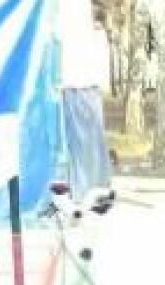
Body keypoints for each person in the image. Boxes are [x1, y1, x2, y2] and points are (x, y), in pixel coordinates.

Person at [56, 0, 112, 198]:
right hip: (84, 81)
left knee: (81, 141)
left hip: (77, 81)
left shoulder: (71, 11)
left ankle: (85, 188)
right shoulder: (84, 16)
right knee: (90, 139)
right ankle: (96, 185)